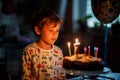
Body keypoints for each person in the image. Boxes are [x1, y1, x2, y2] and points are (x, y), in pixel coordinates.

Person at [20, 8, 66, 80]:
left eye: (57, 31)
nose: (55, 34)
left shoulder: (58, 52)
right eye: (50, 30)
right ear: (38, 30)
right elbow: (25, 77)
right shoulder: (28, 51)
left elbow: (61, 75)